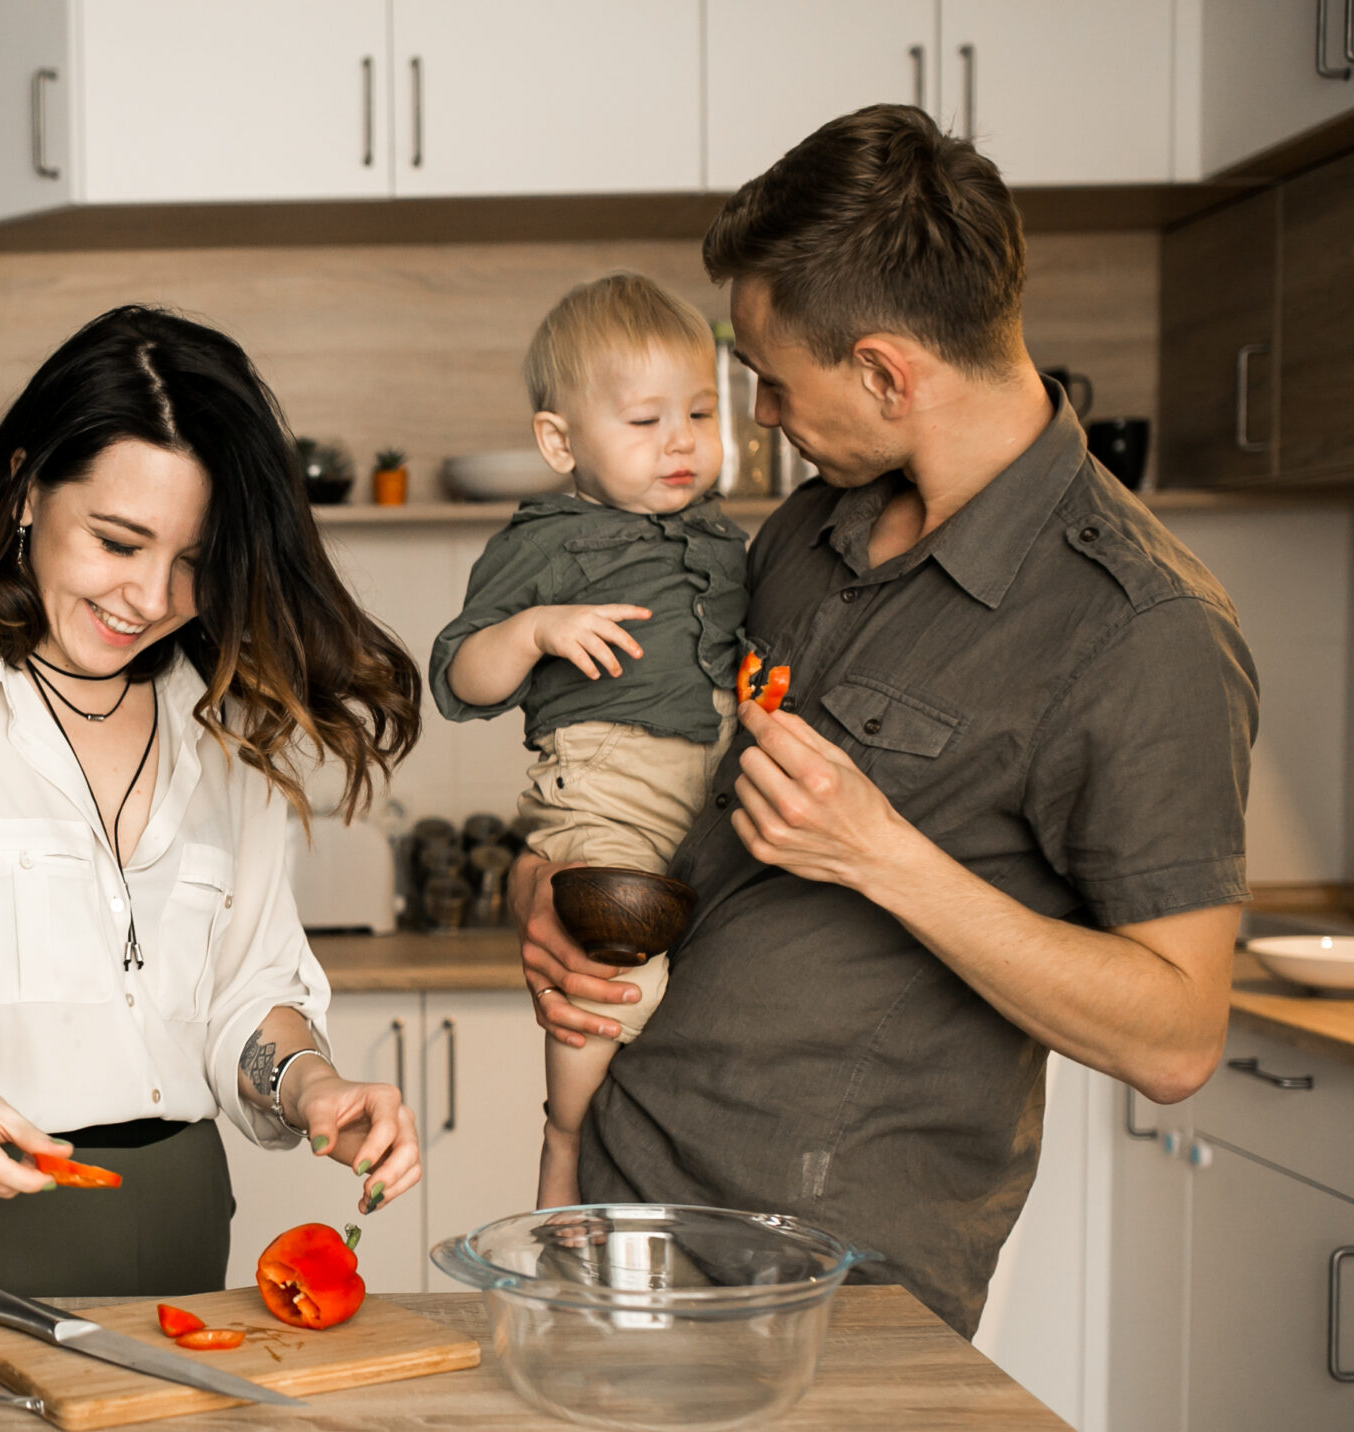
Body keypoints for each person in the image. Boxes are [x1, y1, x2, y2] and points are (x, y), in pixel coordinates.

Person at [510, 104, 1257, 1336]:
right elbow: (672, 788)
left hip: (821, 1273)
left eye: (767, 379)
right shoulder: (809, 530)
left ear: (883, 373)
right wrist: (543, 885)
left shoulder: (1144, 627)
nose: (754, 415)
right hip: (620, 1186)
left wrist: (883, 856)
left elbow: (1176, 1034)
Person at [0, 306, 426, 1297]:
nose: (149, 597)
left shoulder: (233, 728)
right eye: (117, 541)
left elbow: (245, 995)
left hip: (191, 1217)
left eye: (193, 560)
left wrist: (314, 1083)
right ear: (25, 488)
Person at [427, 273, 748, 1211]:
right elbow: (458, 675)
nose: (681, 440)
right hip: (608, 781)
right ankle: (565, 1142)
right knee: (609, 967)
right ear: (560, 442)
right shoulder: (546, 541)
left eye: (698, 411)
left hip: (717, 782)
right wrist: (533, 632)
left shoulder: (729, 543)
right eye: (646, 421)